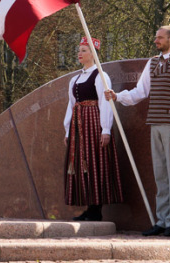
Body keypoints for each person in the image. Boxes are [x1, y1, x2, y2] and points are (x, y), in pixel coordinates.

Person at [105, 26, 170, 237]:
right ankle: (162, 219)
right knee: (160, 175)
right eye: (156, 37)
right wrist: (118, 96)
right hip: (155, 124)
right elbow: (141, 91)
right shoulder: (152, 63)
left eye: (160, 37)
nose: (156, 40)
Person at [64, 37, 123, 221]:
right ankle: (88, 207)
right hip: (79, 124)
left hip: (93, 123)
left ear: (93, 53)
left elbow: (106, 103)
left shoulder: (100, 76)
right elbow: (71, 105)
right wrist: (67, 130)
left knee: (95, 162)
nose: (79, 53)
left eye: (83, 50)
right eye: (79, 50)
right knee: (82, 163)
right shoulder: (75, 79)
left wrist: (105, 128)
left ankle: (96, 209)